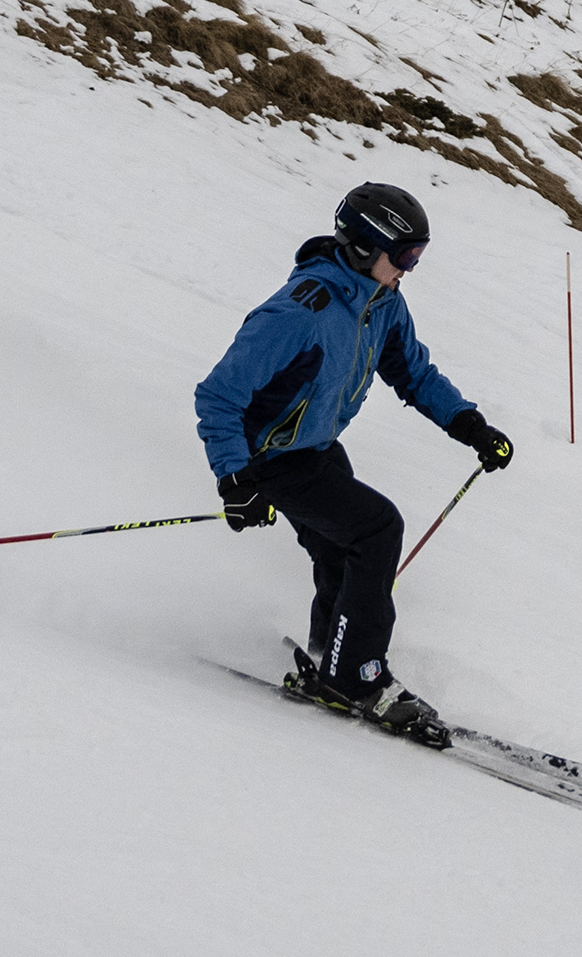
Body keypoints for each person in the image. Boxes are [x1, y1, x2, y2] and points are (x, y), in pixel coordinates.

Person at [195, 180, 515, 744]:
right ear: (368, 247)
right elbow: (219, 394)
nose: (410, 268)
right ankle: (358, 679)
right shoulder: (300, 311)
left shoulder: (380, 302)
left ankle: (330, 656)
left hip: (316, 447)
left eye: (418, 256)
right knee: (376, 527)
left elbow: (412, 371)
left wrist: (469, 425)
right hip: (270, 458)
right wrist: (234, 479)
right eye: (406, 255)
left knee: (343, 551)